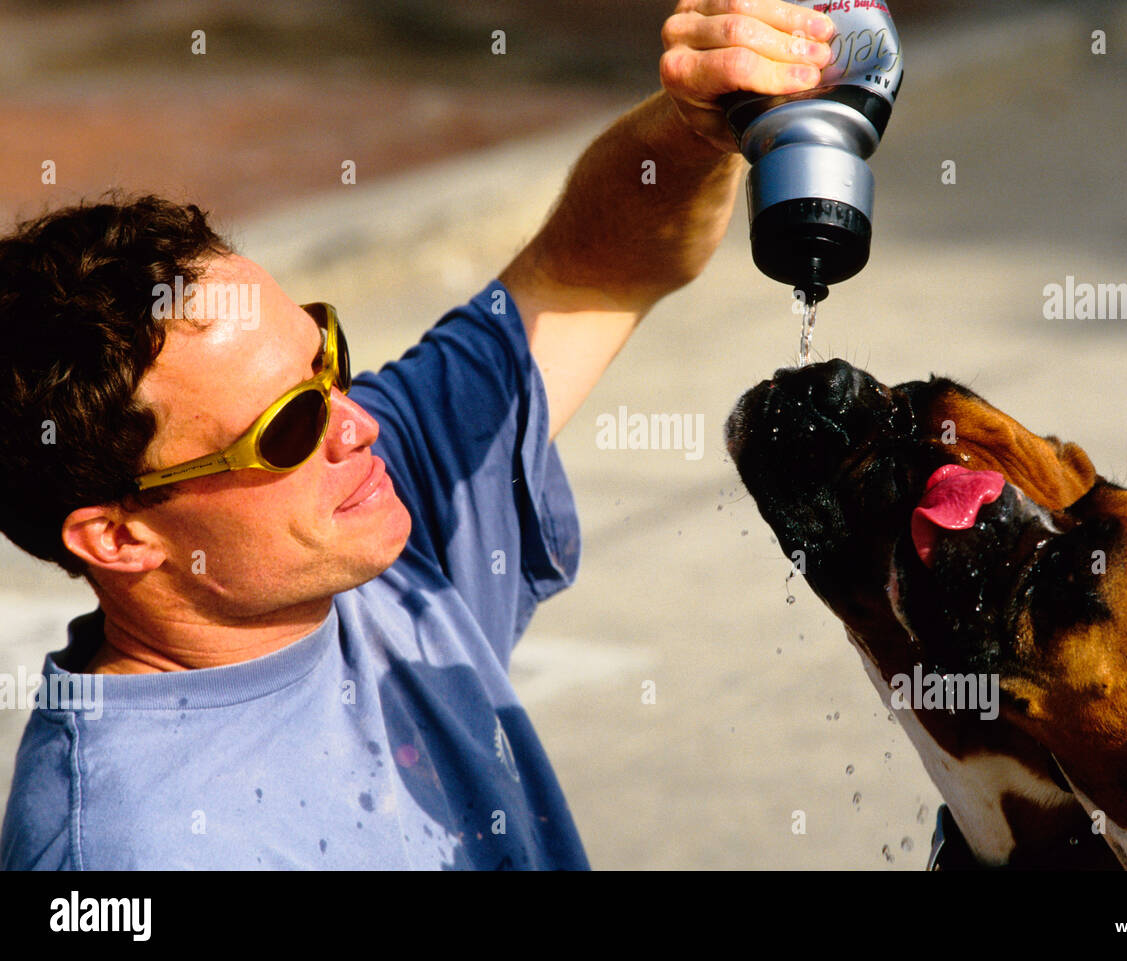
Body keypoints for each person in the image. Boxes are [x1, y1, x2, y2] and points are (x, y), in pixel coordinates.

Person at [0, 0, 836, 869]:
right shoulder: (123, 856)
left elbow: (594, 268)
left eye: (327, 362)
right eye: (287, 427)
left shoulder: (358, 519)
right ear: (118, 534)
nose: (356, 424)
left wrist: (699, 122)